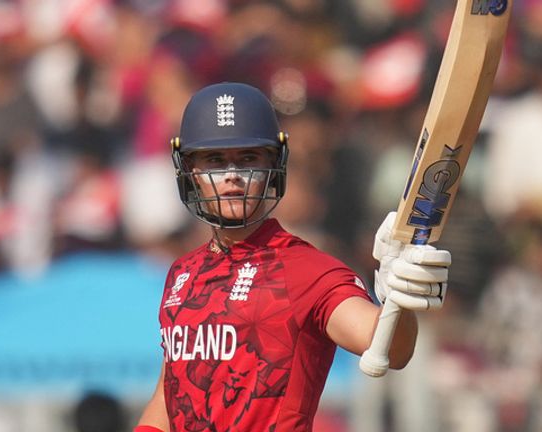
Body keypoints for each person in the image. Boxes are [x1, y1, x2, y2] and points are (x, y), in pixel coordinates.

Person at [134, 82, 451, 432]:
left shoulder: (308, 270)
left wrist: (399, 301)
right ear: (189, 170)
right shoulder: (182, 272)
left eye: (248, 158)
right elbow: (169, 395)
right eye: (214, 160)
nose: (232, 176)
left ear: (276, 163)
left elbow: (389, 348)